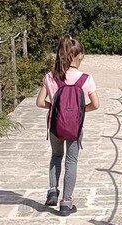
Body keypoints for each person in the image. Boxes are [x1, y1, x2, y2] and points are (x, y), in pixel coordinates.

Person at [36, 36, 99, 215]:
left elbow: (40, 102)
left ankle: (52, 191)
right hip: (75, 127)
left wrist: (55, 108)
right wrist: (78, 111)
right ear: (77, 57)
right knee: (71, 161)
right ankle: (66, 202)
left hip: (55, 125)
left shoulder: (50, 77)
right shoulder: (86, 79)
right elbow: (95, 104)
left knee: (56, 156)